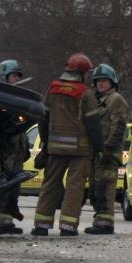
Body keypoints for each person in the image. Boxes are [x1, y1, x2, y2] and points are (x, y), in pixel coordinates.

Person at [31, 53, 101, 237]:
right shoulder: (86, 93)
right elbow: (93, 124)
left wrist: (46, 142)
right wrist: (98, 148)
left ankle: (41, 225)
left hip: (55, 147)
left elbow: (43, 118)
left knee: (50, 184)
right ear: (83, 73)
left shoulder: (53, 90)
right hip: (80, 149)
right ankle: (68, 226)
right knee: (74, 186)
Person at [0, 59, 28, 234]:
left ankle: (6, 219)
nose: (16, 79)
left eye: (17, 76)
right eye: (13, 75)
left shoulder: (17, 96)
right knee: (0, 182)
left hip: (17, 150)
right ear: (4, 76)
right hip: (4, 149)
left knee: (14, 185)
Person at [84, 64, 128, 235]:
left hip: (108, 154)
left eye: (104, 81)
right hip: (96, 154)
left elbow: (119, 127)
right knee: (95, 189)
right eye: (98, 81)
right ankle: (99, 220)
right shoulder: (96, 101)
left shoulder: (116, 99)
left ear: (112, 82)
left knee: (104, 188)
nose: (101, 84)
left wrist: (108, 149)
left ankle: (105, 223)